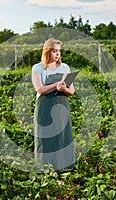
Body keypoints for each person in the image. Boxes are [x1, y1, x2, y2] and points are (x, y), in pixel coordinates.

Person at [32, 38, 75, 171]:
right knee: (46, 138)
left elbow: (71, 91)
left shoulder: (65, 67)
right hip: (45, 106)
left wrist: (64, 89)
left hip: (61, 105)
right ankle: (45, 169)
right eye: (54, 51)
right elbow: (39, 89)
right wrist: (56, 85)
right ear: (47, 52)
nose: (57, 54)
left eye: (59, 51)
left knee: (62, 137)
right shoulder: (38, 68)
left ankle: (63, 169)